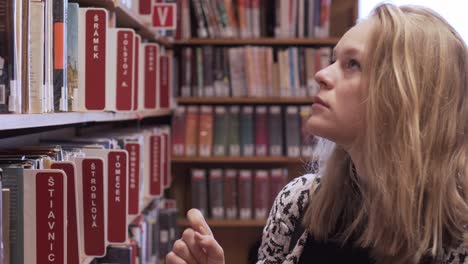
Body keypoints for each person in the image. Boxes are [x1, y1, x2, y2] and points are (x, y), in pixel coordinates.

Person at [167, 3, 468, 263]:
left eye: (353, 64)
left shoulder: (459, 232)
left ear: (406, 95)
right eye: (334, 60)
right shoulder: (298, 201)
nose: (321, 75)